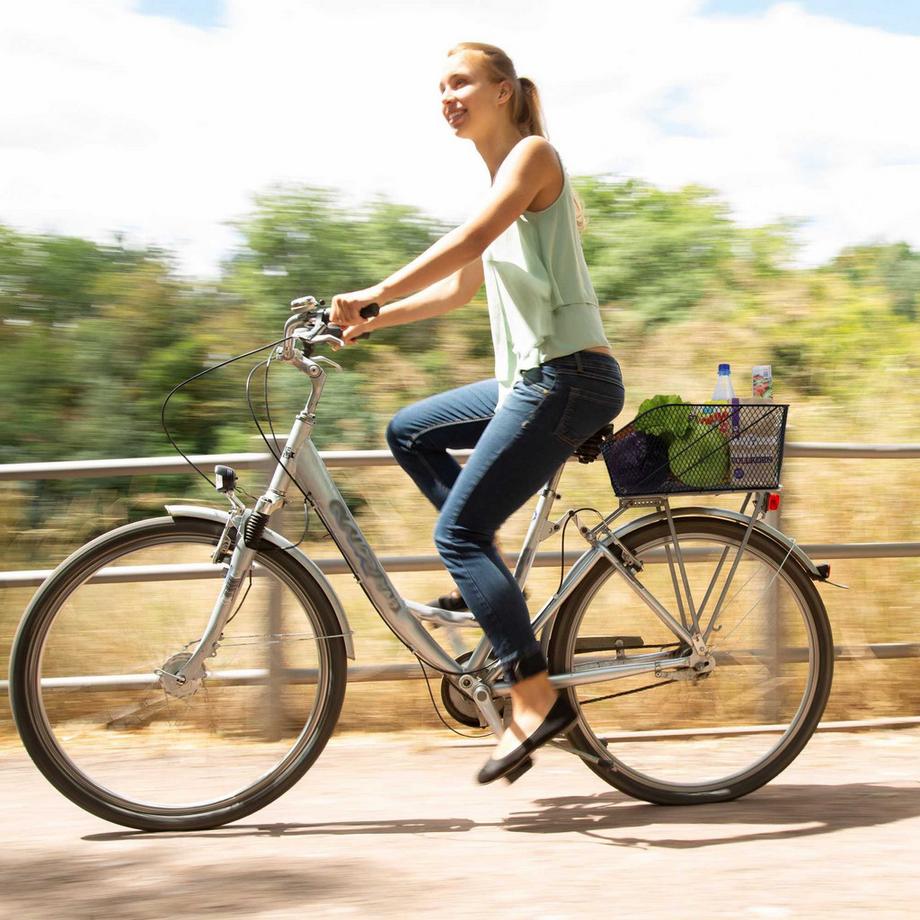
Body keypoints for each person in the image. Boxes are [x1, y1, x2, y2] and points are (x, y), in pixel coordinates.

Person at [330, 41, 625, 784]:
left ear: (502, 90)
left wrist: (372, 291)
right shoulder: (499, 176)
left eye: (460, 82)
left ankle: (533, 697)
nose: (447, 97)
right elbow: (460, 288)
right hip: (528, 380)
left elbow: (467, 242)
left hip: (569, 376)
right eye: (440, 88)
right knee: (410, 431)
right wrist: (373, 321)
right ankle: (487, 577)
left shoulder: (533, 157)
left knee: (456, 532)